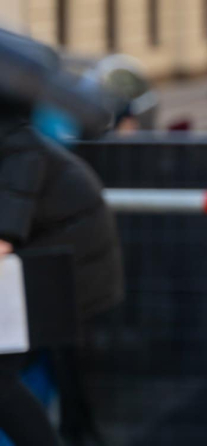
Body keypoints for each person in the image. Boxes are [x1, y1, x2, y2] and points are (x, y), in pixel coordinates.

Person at [0, 99, 124, 446]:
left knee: (5, 376)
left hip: (70, 270)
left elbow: (4, 236)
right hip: (50, 267)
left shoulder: (18, 148)